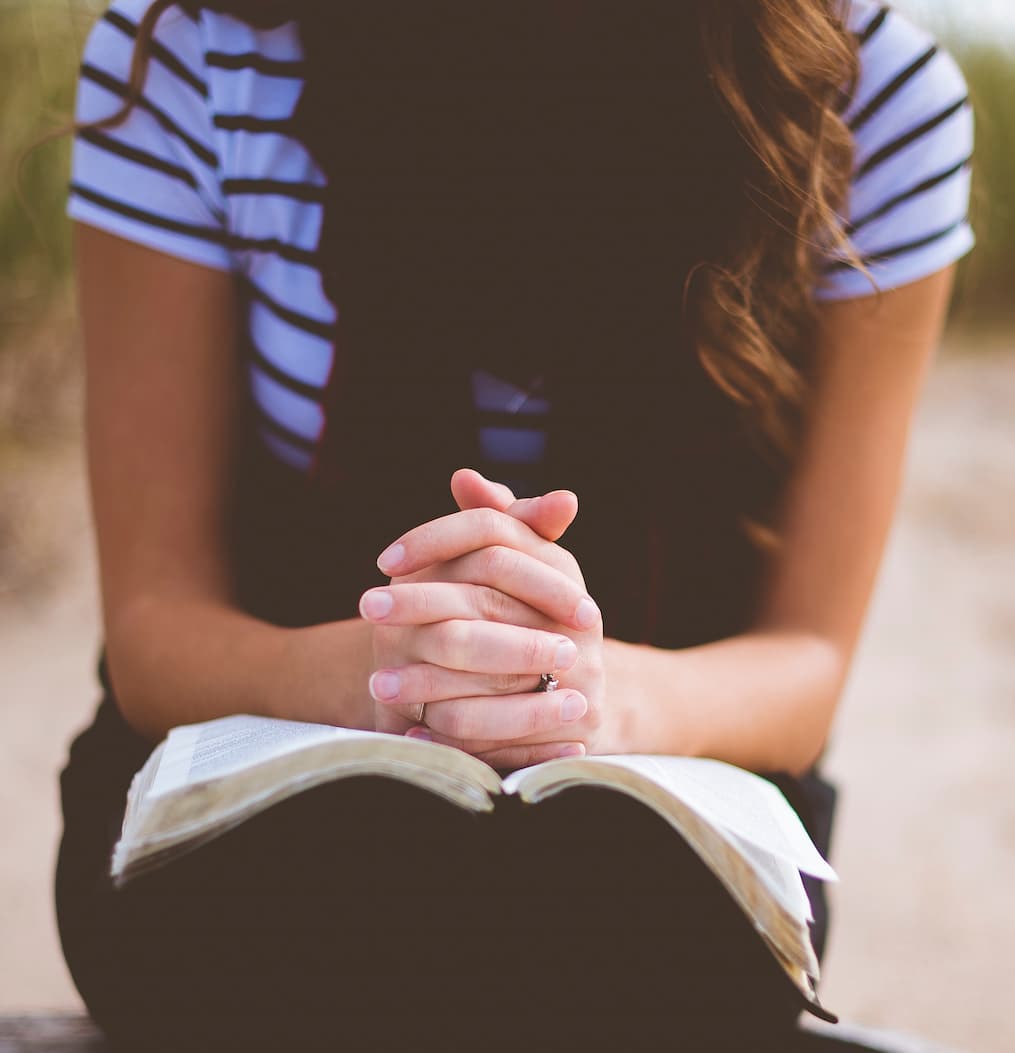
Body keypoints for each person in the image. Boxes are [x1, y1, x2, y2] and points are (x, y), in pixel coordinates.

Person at [54, 0, 974, 1049]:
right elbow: (152, 626)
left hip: (666, 808)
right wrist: (390, 679)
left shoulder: (872, 98)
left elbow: (806, 661)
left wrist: (593, 692)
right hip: (258, 784)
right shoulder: (196, 48)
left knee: (620, 956)